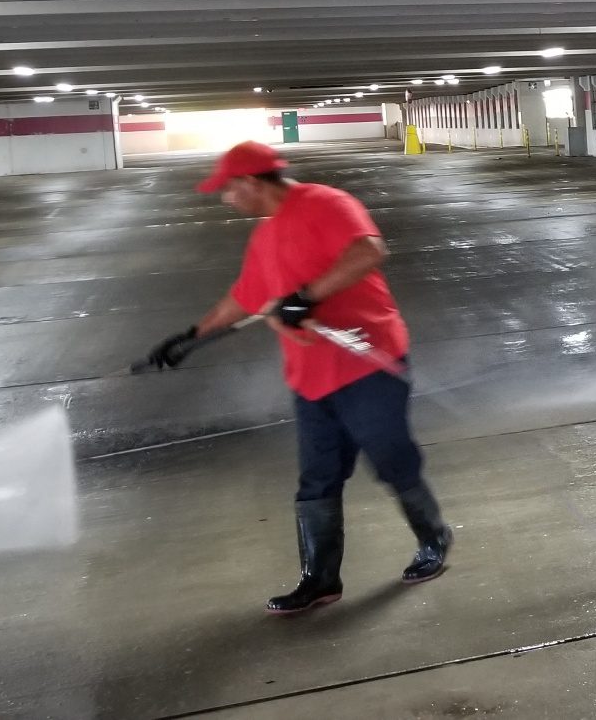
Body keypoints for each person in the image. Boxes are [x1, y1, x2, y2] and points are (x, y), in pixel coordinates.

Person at [141, 141, 451, 616]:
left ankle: (433, 537)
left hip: (367, 361)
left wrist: (306, 296)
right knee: (317, 478)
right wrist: (189, 336)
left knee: (391, 459)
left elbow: (368, 250)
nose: (226, 200)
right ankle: (320, 580)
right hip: (311, 376)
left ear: (249, 183)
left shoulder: (326, 203)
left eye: (227, 190)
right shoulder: (264, 237)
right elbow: (245, 298)